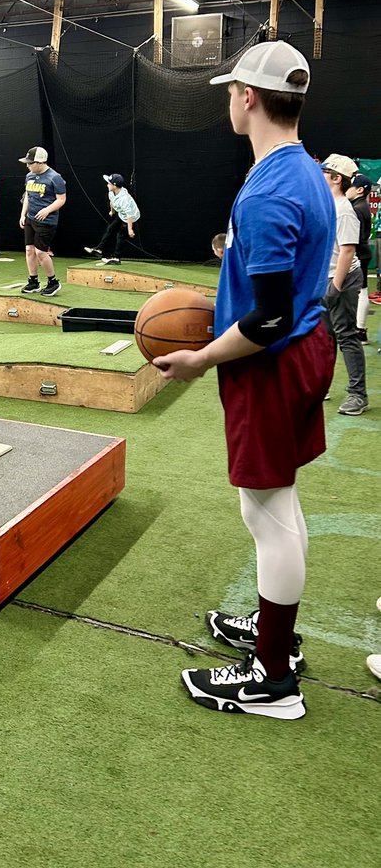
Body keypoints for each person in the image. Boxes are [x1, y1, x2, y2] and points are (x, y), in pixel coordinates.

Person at [154, 41, 335, 721]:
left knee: (268, 512)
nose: (229, 99)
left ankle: (273, 678)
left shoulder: (268, 189)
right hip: (300, 351)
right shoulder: (305, 169)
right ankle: (276, 639)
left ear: (249, 98)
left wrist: (200, 358)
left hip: (274, 359)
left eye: (231, 90)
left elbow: (267, 317)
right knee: (270, 507)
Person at [321, 154, 368, 416]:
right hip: (328, 279)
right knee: (326, 338)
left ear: (337, 178)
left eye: (325, 171)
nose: (320, 175)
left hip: (342, 280)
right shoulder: (328, 205)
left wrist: (335, 288)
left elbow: (348, 251)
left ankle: (357, 395)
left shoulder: (344, 210)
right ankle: (322, 385)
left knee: (346, 336)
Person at [18, 147, 66, 296]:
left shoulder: (54, 177)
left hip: (47, 221)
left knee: (40, 252)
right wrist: (22, 214)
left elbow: (62, 199)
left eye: (30, 163)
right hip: (30, 219)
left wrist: (47, 210)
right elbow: (27, 196)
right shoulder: (29, 176)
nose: (28, 166)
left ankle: (53, 281)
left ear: (40, 162)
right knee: (29, 250)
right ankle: (33, 281)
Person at [84, 174, 140, 265]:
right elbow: (112, 202)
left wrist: (130, 229)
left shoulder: (124, 199)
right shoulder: (111, 192)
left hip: (131, 218)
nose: (107, 185)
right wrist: (112, 211)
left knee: (120, 236)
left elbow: (129, 214)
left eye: (109, 183)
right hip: (122, 215)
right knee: (110, 229)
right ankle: (99, 249)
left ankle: (116, 258)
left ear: (114, 185)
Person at [346, 172, 373, 343]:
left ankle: (360, 329)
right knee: (361, 291)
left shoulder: (357, 208)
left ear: (360, 190)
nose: (348, 189)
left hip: (359, 254)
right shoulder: (360, 206)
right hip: (362, 253)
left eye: (351, 186)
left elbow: (354, 238)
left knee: (361, 291)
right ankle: (359, 328)